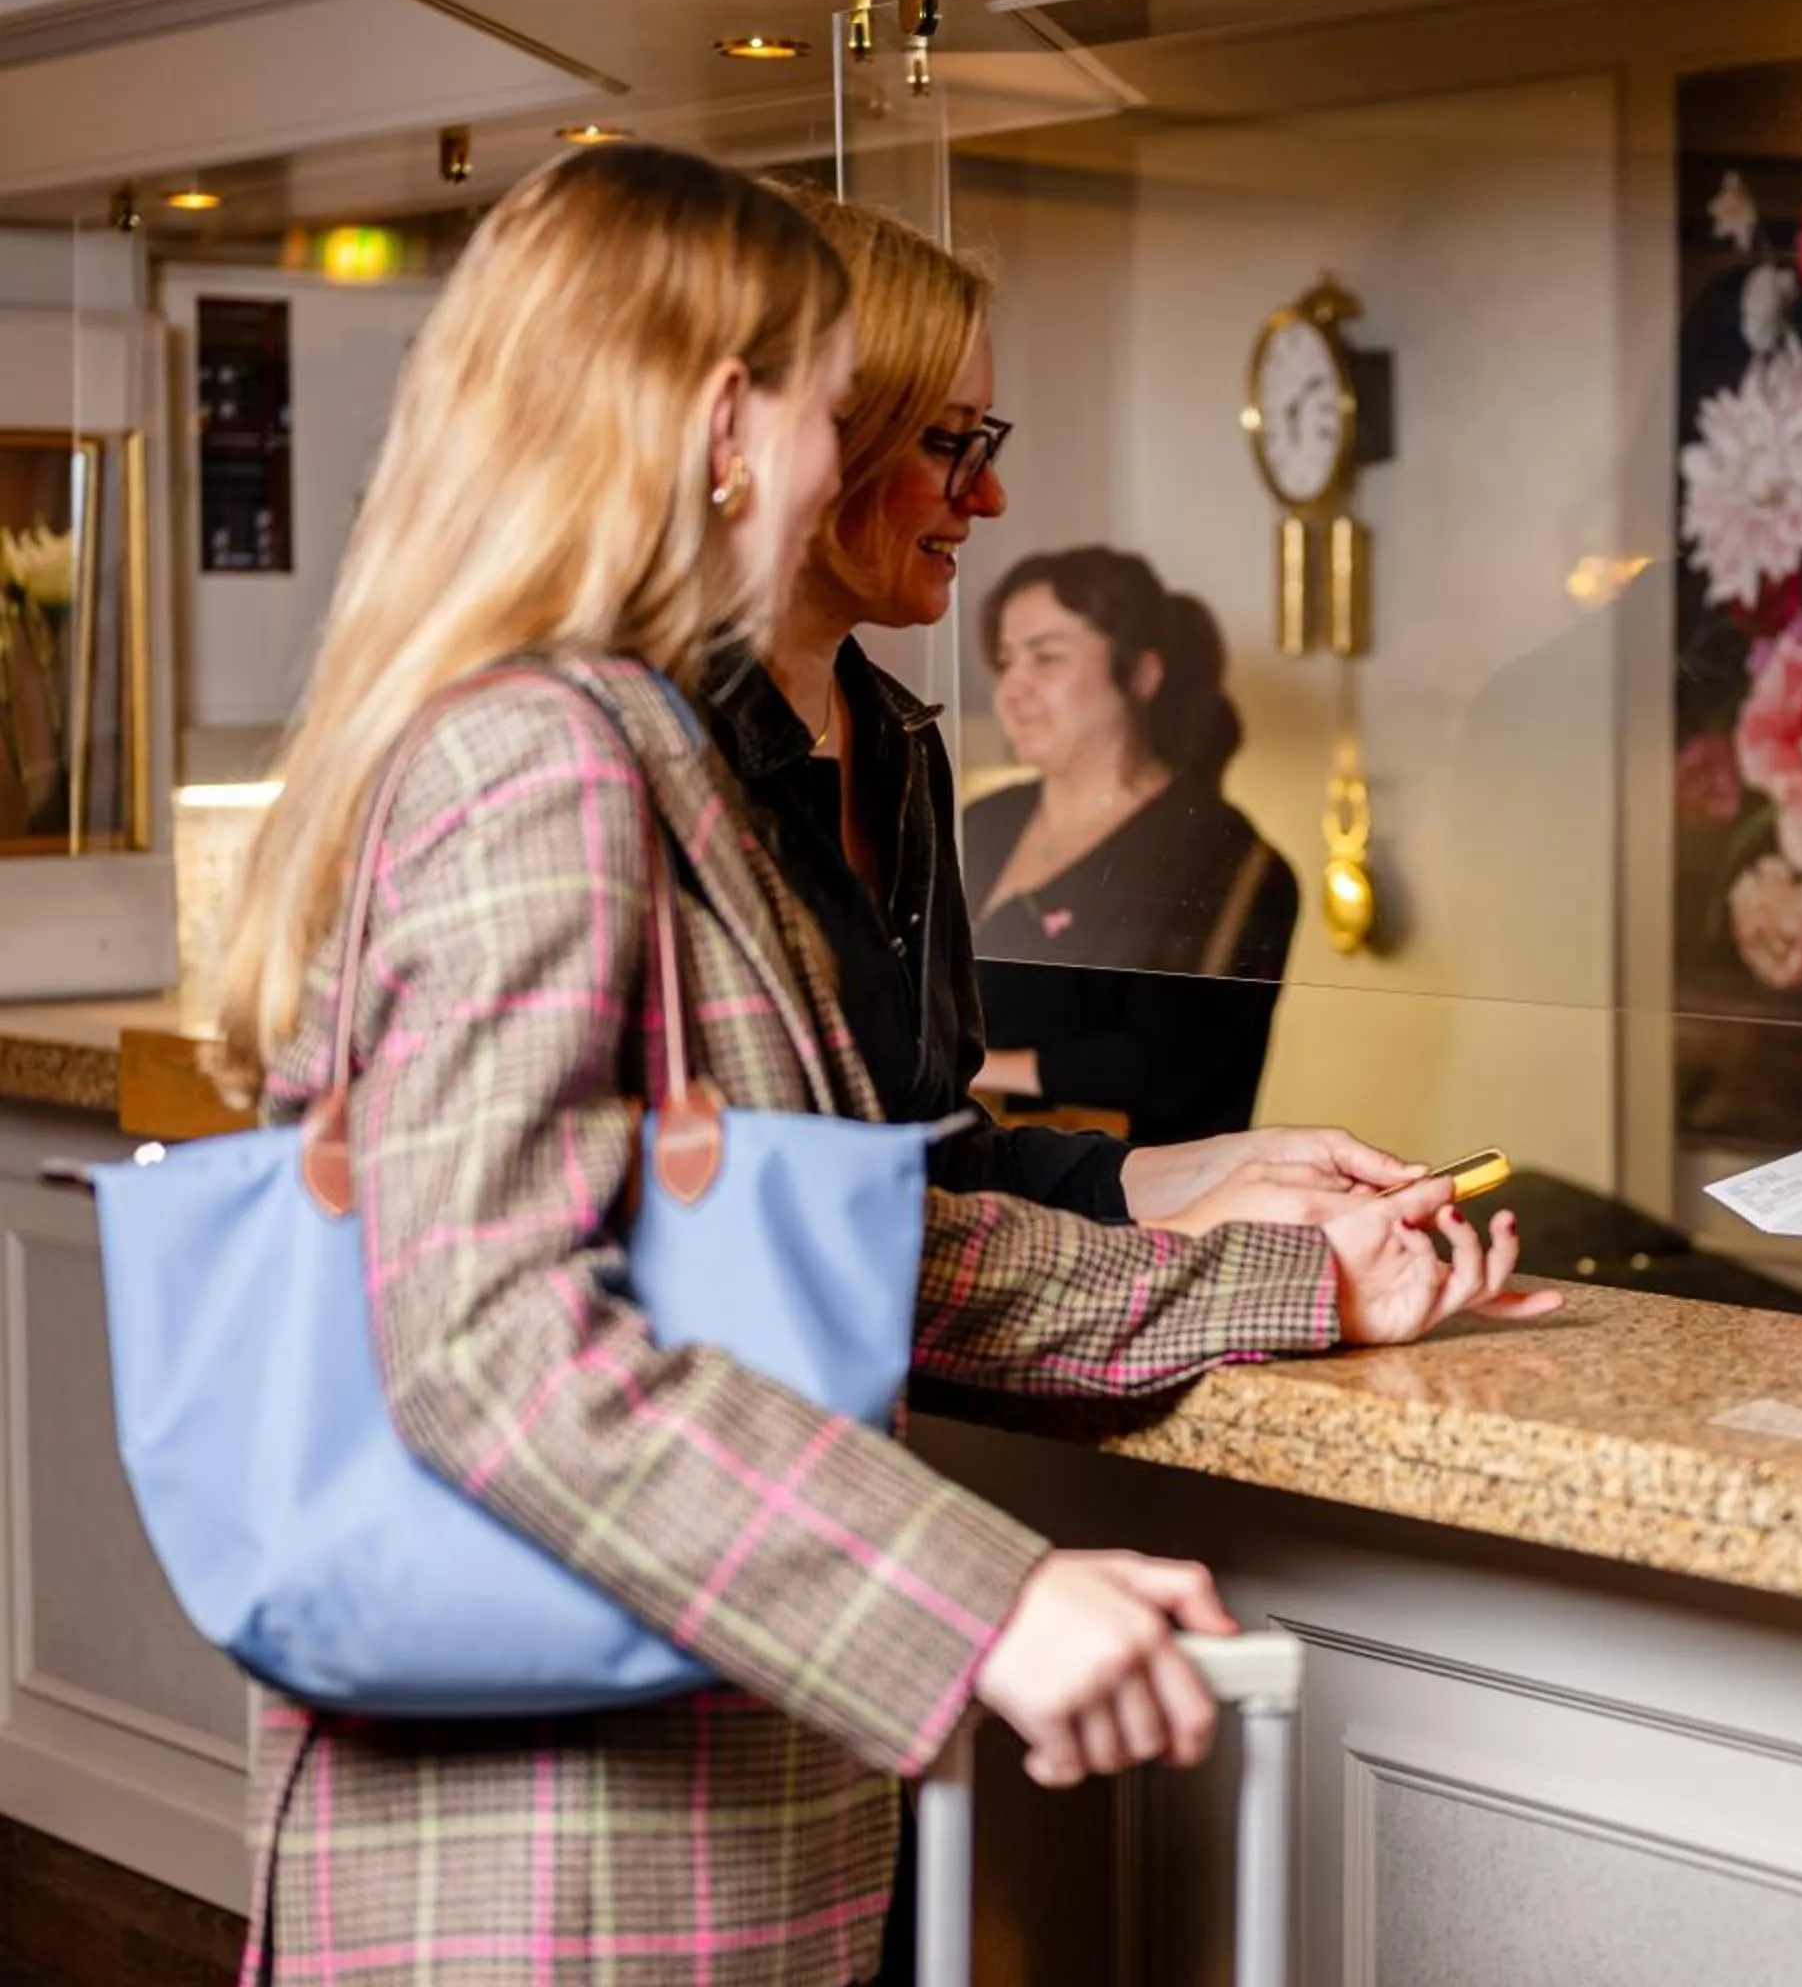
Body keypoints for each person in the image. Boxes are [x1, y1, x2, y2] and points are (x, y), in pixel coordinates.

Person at [207, 143, 1535, 1987]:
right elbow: (492, 1347)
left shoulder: (637, 756)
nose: (883, 467)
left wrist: (1292, 1279)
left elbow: (856, 1236)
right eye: (847, 412)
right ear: (728, 429)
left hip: (698, 1829)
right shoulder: (541, 760)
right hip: (554, 1864)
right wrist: (986, 1603)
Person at [728, 190, 1352, 1222]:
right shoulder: (630, 748)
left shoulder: (898, 749)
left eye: (1050, 657)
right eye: (948, 442)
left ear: (1141, 673)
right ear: (790, 431)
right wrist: (1199, 1247)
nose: (990, 496)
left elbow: (939, 1169)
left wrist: (1234, 1175)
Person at [965, 547, 1300, 1145]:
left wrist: (968, 1070)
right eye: (1006, 661)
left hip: (1128, 1187)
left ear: (1142, 674)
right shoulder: (982, 821)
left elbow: (1171, 1066)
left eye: (1046, 657)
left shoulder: (1225, 857)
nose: (1011, 689)